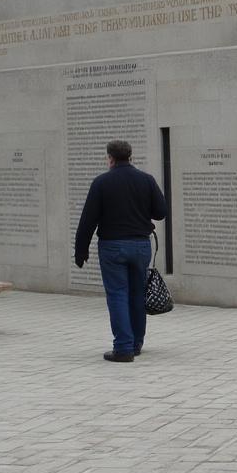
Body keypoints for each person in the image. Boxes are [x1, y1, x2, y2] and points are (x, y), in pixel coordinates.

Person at [74, 140, 168, 362]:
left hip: (113, 246)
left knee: (117, 294)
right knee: (137, 293)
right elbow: (161, 212)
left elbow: (88, 219)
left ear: (110, 158)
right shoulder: (146, 180)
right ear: (131, 156)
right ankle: (136, 343)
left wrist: (81, 250)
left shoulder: (101, 183)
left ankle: (123, 347)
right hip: (141, 245)